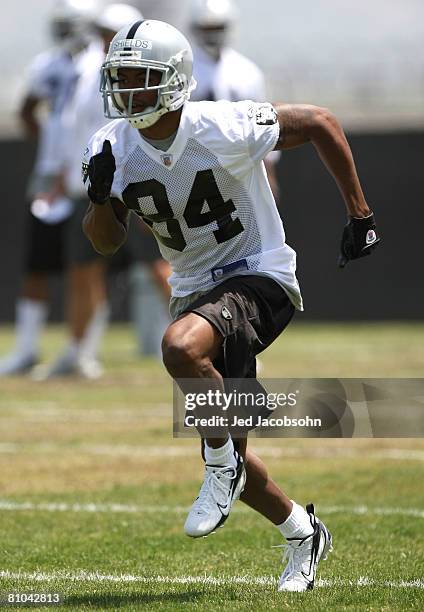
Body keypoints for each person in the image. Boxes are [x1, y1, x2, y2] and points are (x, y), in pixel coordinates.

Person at [82, 20, 380, 591]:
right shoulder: (109, 147)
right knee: (232, 445)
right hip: (196, 291)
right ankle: (302, 532)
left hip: (258, 274)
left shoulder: (221, 123)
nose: (124, 91)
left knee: (179, 348)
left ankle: (219, 466)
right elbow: (104, 240)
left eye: (138, 79)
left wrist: (360, 215)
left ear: (173, 82)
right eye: (118, 78)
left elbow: (320, 121)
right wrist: (99, 198)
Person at [34, 2, 144, 379]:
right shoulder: (89, 69)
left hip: (129, 183)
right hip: (94, 183)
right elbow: (74, 128)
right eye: (101, 32)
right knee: (84, 269)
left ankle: (218, 345)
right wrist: (68, 173)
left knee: (164, 268)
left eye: (110, 33)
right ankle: (80, 349)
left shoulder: (133, 74)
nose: (103, 39)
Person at [0, 0, 100, 377]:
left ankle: (82, 351)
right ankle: (27, 349)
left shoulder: (99, 66)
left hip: (86, 177)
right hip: (50, 176)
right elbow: (28, 108)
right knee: (36, 265)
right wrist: (46, 148)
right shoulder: (47, 64)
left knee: (86, 268)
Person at [189, 0, 281, 203]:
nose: (212, 34)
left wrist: (270, 170)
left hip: (243, 162)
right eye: (207, 28)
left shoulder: (247, 71)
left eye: (217, 27)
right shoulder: (184, 70)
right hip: (194, 164)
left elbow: (265, 123)